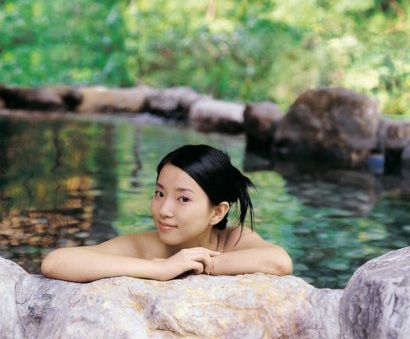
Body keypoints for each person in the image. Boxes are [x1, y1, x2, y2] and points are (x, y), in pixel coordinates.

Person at [41, 144, 292, 282]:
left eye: (183, 198)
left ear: (217, 212)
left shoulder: (234, 239)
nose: (164, 210)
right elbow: (55, 263)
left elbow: (279, 261)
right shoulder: (144, 246)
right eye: (160, 193)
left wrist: (201, 265)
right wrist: (159, 269)